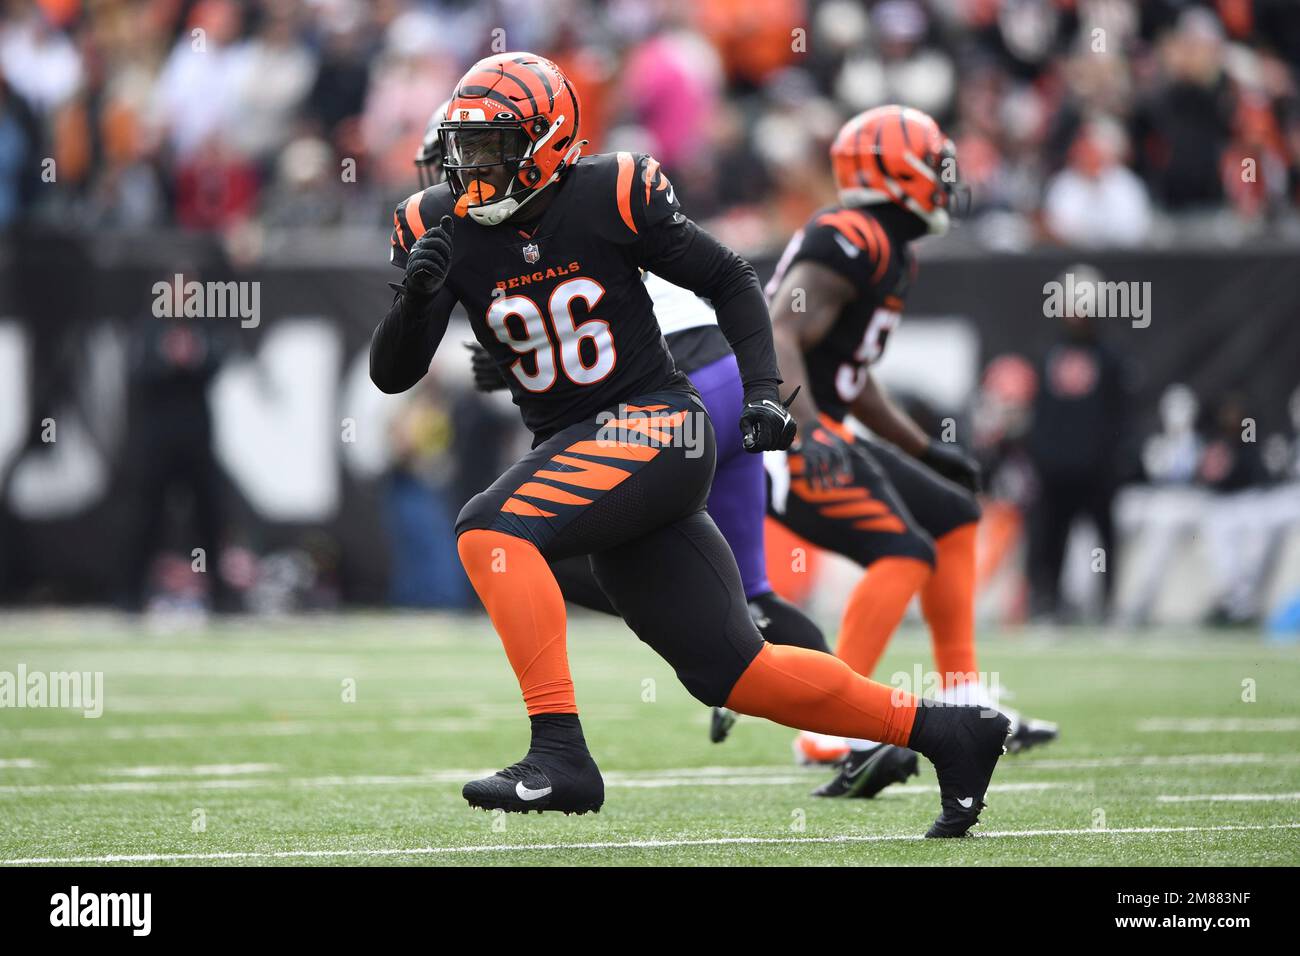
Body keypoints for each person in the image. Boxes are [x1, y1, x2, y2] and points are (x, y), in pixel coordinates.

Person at [370, 54, 1009, 838]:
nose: (472, 169)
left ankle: (560, 753)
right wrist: (415, 301)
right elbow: (393, 375)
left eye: (494, 148)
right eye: (465, 149)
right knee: (737, 671)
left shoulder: (611, 192)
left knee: (490, 528)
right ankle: (949, 731)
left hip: (658, 426)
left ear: (547, 143)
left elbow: (732, 280)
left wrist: (768, 393)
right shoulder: (436, 224)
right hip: (590, 450)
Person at [764, 105, 1056, 799]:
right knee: (905, 551)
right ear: (893, 171)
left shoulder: (888, 250)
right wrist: (805, 430)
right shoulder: (852, 234)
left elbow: (851, 377)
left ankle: (959, 695)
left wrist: (924, 447)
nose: (946, 178)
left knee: (953, 513)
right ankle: (829, 725)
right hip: (777, 433)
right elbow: (780, 334)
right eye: (935, 164)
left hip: (818, 421)